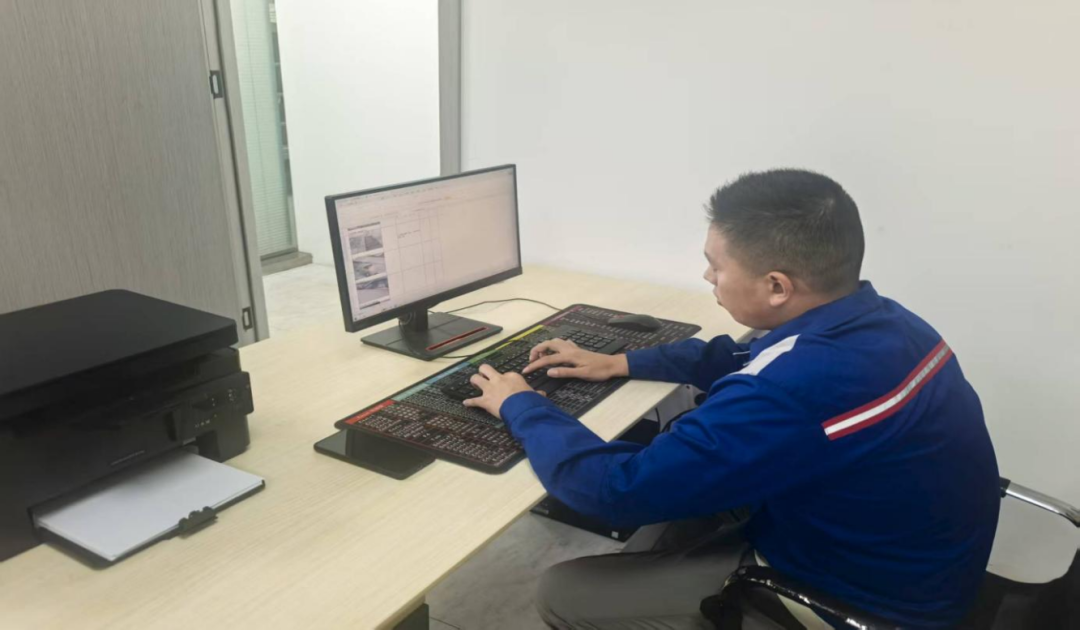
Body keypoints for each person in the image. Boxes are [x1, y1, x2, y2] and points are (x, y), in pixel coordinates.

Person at [462, 169, 1000, 629]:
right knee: (679, 505)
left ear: (776, 287)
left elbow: (612, 491)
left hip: (865, 604)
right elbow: (744, 355)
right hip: (921, 565)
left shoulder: (789, 390)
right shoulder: (884, 323)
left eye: (717, 266)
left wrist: (521, 404)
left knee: (563, 591)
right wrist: (620, 361)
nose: (707, 276)